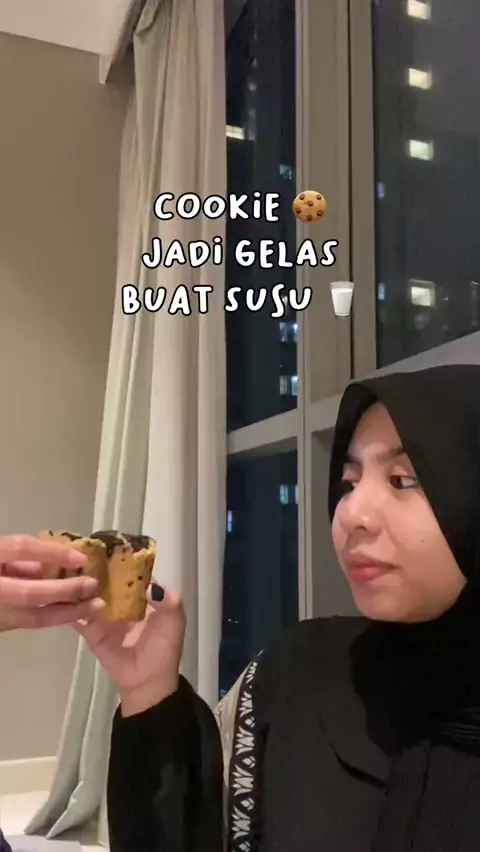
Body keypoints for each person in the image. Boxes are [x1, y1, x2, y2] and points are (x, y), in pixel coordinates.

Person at [3, 363, 480, 851]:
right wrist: (148, 690)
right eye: (349, 481)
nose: (353, 513)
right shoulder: (297, 671)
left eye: (402, 480)